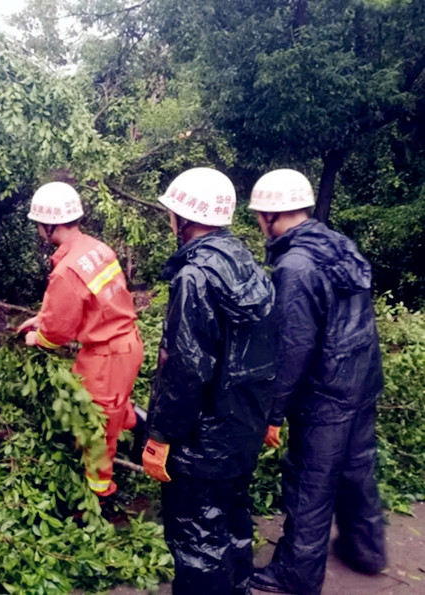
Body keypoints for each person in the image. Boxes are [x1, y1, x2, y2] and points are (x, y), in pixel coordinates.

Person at [248, 169, 386, 595]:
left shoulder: (295, 266)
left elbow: (293, 349)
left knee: (310, 481)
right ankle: (367, 549)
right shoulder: (336, 245)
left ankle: (297, 575)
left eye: (258, 215)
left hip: (326, 395)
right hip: (361, 381)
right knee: (356, 467)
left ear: (271, 216)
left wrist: (271, 413)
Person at [142, 167, 276, 595]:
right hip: (242, 430)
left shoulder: (195, 276)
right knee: (233, 524)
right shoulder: (249, 268)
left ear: (181, 218)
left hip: (203, 441)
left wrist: (161, 435)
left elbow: (184, 367)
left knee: (198, 541)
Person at [16, 181, 144, 499]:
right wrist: (41, 318)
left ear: (48, 225)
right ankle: (142, 430)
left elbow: (58, 332)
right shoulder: (97, 249)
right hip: (126, 344)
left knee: (95, 428)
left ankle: (101, 497)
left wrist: (38, 338)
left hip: (107, 356)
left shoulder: (67, 271)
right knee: (112, 405)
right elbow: (89, 303)